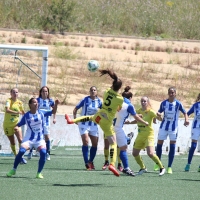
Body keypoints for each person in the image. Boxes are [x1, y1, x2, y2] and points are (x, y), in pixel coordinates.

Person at [65, 69, 127, 176]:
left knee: (89, 117)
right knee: (113, 143)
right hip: (107, 121)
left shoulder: (107, 91)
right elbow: (118, 108)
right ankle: (112, 164)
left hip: (99, 116)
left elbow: (109, 94)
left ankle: (72, 120)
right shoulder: (120, 99)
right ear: (120, 88)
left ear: (112, 84)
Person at [6, 97, 59, 179]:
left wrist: (56, 104)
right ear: (30, 105)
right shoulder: (26, 116)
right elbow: (19, 124)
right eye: (34, 102)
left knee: (43, 153)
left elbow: (53, 111)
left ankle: (39, 173)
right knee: (21, 151)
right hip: (29, 139)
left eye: (37, 102)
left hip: (39, 140)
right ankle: (14, 169)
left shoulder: (42, 112)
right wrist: (16, 127)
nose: (36, 103)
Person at [113, 87, 149, 176]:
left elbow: (118, 114)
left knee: (118, 146)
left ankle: (127, 139)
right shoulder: (129, 105)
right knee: (123, 148)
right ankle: (126, 168)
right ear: (130, 98)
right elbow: (136, 117)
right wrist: (145, 122)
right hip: (117, 128)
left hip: (109, 126)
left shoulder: (117, 101)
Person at [127, 96, 165, 176]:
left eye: (145, 101)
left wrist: (159, 116)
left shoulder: (150, 111)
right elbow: (136, 119)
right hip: (140, 134)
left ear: (148, 102)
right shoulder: (138, 111)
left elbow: (160, 119)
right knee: (134, 153)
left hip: (148, 135)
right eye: (142, 101)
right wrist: (129, 122)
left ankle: (162, 167)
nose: (143, 103)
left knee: (150, 153)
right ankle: (143, 167)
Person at [154, 87, 189, 174]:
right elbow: (159, 113)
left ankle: (169, 166)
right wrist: (157, 116)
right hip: (163, 127)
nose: (171, 94)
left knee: (172, 145)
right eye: (170, 92)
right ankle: (158, 163)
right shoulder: (164, 103)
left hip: (173, 128)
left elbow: (185, 112)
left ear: (175, 94)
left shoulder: (178, 104)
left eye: (173, 92)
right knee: (159, 144)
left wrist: (186, 119)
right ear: (168, 93)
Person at [73, 86, 102, 170]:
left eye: (94, 90)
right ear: (89, 92)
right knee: (85, 141)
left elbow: (103, 112)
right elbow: (75, 108)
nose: (93, 91)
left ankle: (90, 161)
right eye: (91, 90)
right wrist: (75, 119)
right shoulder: (85, 100)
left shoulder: (99, 102)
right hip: (84, 124)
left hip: (94, 125)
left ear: (97, 92)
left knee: (95, 144)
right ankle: (86, 163)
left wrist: (100, 120)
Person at [28, 86, 56, 161]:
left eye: (46, 91)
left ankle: (47, 153)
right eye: (43, 91)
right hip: (38, 122)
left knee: (47, 137)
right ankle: (30, 152)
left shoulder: (50, 101)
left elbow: (54, 110)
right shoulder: (37, 100)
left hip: (46, 122)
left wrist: (54, 118)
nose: (45, 93)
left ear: (48, 92)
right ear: (40, 92)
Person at [3, 88, 26, 164]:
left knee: (20, 140)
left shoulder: (20, 103)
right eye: (14, 92)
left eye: (17, 92)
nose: (15, 93)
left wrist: (28, 116)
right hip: (7, 125)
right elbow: (7, 110)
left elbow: (22, 112)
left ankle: (20, 156)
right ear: (11, 93)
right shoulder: (8, 101)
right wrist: (17, 112)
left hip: (16, 125)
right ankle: (16, 155)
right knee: (12, 142)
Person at [184, 93, 200, 172]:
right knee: (193, 146)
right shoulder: (196, 105)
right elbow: (187, 113)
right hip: (196, 127)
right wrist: (186, 120)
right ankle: (188, 164)